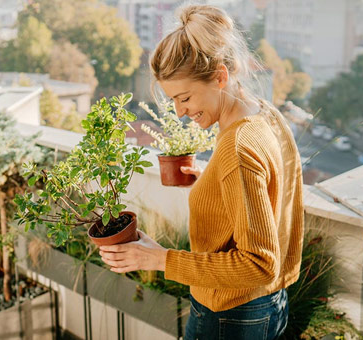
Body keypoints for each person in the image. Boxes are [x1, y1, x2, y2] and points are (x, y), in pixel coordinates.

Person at [98, 4, 304, 339]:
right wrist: (208, 181)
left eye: (185, 98)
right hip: (269, 306)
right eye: (173, 102)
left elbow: (259, 264)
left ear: (221, 76)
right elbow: (272, 192)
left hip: (231, 315)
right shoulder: (265, 114)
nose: (180, 112)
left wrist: (159, 260)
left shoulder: (237, 148)